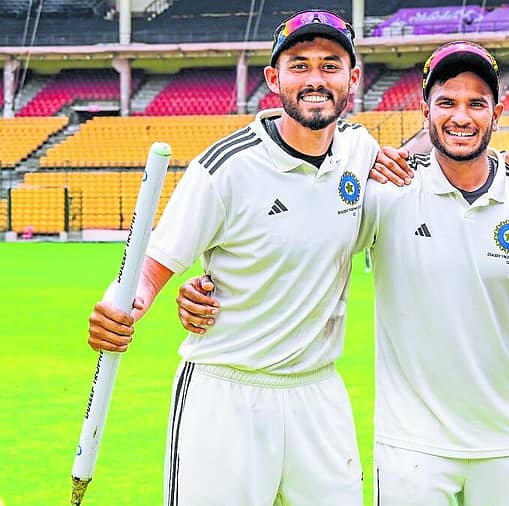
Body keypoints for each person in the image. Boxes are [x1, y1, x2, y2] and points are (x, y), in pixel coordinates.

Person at [176, 41, 509, 506]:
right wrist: (214, 286)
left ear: (498, 113)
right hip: (411, 446)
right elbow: (304, 242)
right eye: (446, 102)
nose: (461, 117)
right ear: (425, 111)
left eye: (476, 104)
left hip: (507, 440)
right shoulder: (388, 191)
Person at [87, 10, 381, 505]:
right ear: (273, 78)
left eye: (330, 65)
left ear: (353, 79)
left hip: (319, 395)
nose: (315, 79)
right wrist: (120, 307)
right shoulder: (225, 167)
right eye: (299, 65)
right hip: (226, 393)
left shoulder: (360, 150)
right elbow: (148, 269)